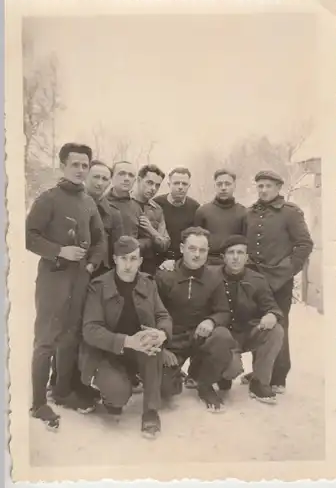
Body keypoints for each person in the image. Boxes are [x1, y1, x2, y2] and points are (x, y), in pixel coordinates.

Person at [26, 142, 106, 430]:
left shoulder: (88, 202)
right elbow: (30, 237)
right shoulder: (48, 199)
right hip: (53, 279)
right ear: (63, 166)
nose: (81, 170)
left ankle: (61, 392)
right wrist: (60, 251)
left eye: (85, 165)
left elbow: (100, 240)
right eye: (75, 164)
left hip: (80, 280)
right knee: (46, 340)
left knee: (70, 337)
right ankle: (38, 403)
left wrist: (90, 264)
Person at [79, 236, 172, 439]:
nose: (128, 265)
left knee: (153, 347)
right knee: (117, 398)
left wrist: (161, 333)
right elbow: (90, 330)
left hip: (140, 350)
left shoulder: (148, 283)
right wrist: (129, 341)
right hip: (107, 353)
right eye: (123, 259)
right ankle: (115, 388)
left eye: (133, 259)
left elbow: (162, 315)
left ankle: (150, 412)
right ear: (114, 259)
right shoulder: (99, 286)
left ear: (140, 261)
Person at [244, 170, 313, 393]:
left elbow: (304, 244)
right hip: (253, 281)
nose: (263, 190)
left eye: (268, 186)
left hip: (279, 282)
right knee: (258, 325)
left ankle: (279, 376)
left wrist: (286, 271)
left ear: (278, 188)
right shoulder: (250, 213)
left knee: (279, 327)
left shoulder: (290, 213)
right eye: (260, 186)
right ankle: (259, 371)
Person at [155, 227, 236, 412]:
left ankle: (204, 384)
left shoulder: (215, 276)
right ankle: (176, 375)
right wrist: (162, 348)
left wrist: (211, 321)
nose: (197, 254)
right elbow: (153, 313)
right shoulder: (165, 275)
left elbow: (224, 311)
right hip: (174, 338)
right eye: (192, 248)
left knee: (222, 336)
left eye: (203, 250)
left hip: (201, 337)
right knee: (165, 389)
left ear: (208, 252)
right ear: (182, 248)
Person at [217, 235, 284, 404]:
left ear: (246, 257)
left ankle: (259, 383)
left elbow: (272, 307)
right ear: (223, 257)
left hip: (248, 333)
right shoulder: (211, 277)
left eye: (240, 253)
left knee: (275, 331)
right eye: (231, 252)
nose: (235, 257)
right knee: (230, 371)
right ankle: (223, 373)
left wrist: (272, 315)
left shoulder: (257, 280)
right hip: (223, 338)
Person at [194, 169, 246, 265]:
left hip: (234, 263)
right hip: (208, 263)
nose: (223, 188)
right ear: (214, 186)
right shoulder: (203, 211)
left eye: (227, 184)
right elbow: (197, 241)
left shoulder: (243, 212)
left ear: (234, 186)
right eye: (219, 184)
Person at [154, 167, 199, 265]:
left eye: (184, 184)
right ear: (169, 185)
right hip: (157, 259)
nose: (180, 187)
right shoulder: (156, 204)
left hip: (183, 261)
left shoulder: (195, 207)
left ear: (189, 186)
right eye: (176, 183)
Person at [85, 160, 124, 275]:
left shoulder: (113, 213)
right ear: (85, 177)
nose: (100, 183)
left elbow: (117, 249)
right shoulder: (71, 204)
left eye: (105, 179)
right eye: (96, 177)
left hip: (100, 273)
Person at [131, 164, 170, 274]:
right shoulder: (125, 203)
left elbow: (165, 244)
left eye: (157, 185)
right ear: (139, 180)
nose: (153, 188)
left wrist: (151, 230)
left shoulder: (157, 209)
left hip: (149, 267)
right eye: (149, 183)